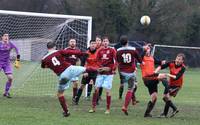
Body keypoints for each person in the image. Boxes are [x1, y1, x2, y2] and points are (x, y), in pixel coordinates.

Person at [41, 42, 98, 117]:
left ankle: (66, 112)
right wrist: (81, 54)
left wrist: (51, 66)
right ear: (54, 47)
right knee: (86, 69)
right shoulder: (58, 51)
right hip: (70, 69)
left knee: (60, 94)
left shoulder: (44, 59)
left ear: (47, 48)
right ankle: (100, 70)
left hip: (63, 76)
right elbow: (70, 52)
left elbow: (43, 66)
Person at [89, 36, 117, 114]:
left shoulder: (112, 50)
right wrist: (101, 67)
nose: (105, 42)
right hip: (100, 73)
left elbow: (116, 61)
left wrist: (112, 69)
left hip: (109, 74)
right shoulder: (100, 50)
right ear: (102, 42)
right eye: (104, 41)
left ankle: (108, 109)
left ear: (108, 42)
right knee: (96, 89)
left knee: (108, 91)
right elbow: (97, 61)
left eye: (106, 41)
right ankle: (93, 107)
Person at [140, 44, 169, 117]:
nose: (147, 49)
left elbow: (160, 62)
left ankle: (147, 113)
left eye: (148, 48)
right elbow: (140, 57)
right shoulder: (142, 57)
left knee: (154, 97)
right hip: (147, 78)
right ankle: (168, 90)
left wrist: (165, 62)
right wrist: (144, 49)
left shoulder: (152, 58)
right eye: (145, 48)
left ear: (150, 50)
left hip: (153, 78)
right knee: (163, 76)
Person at [116, 35, 142, 115]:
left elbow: (117, 61)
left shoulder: (118, 50)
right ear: (127, 42)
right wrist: (141, 62)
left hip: (122, 72)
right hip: (130, 72)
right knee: (130, 88)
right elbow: (139, 59)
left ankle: (133, 100)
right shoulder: (133, 49)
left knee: (129, 85)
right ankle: (125, 106)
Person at [155, 53, 186, 118]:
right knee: (165, 98)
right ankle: (175, 109)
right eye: (177, 58)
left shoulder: (183, 68)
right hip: (170, 83)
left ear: (182, 61)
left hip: (177, 85)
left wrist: (167, 75)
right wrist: (155, 72)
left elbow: (176, 77)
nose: (177, 60)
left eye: (179, 59)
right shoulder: (172, 62)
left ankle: (164, 114)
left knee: (167, 97)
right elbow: (161, 66)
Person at [74, 39, 99, 105]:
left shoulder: (98, 53)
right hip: (87, 71)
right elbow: (82, 63)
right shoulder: (86, 53)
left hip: (95, 72)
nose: (93, 45)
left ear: (96, 45)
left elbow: (100, 62)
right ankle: (76, 100)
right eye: (92, 43)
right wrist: (84, 72)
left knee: (96, 86)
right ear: (89, 44)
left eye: (94, 43)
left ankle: (96, 101)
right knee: (82, 85)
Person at [0, 33, 20, 98]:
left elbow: (17, 50)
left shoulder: (10, 44)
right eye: (5, 36)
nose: (6, 37)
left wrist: (18, 60)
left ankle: (6, 92)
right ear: (2, 37)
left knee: (10, 78)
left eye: (8, 36)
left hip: (6, 63)